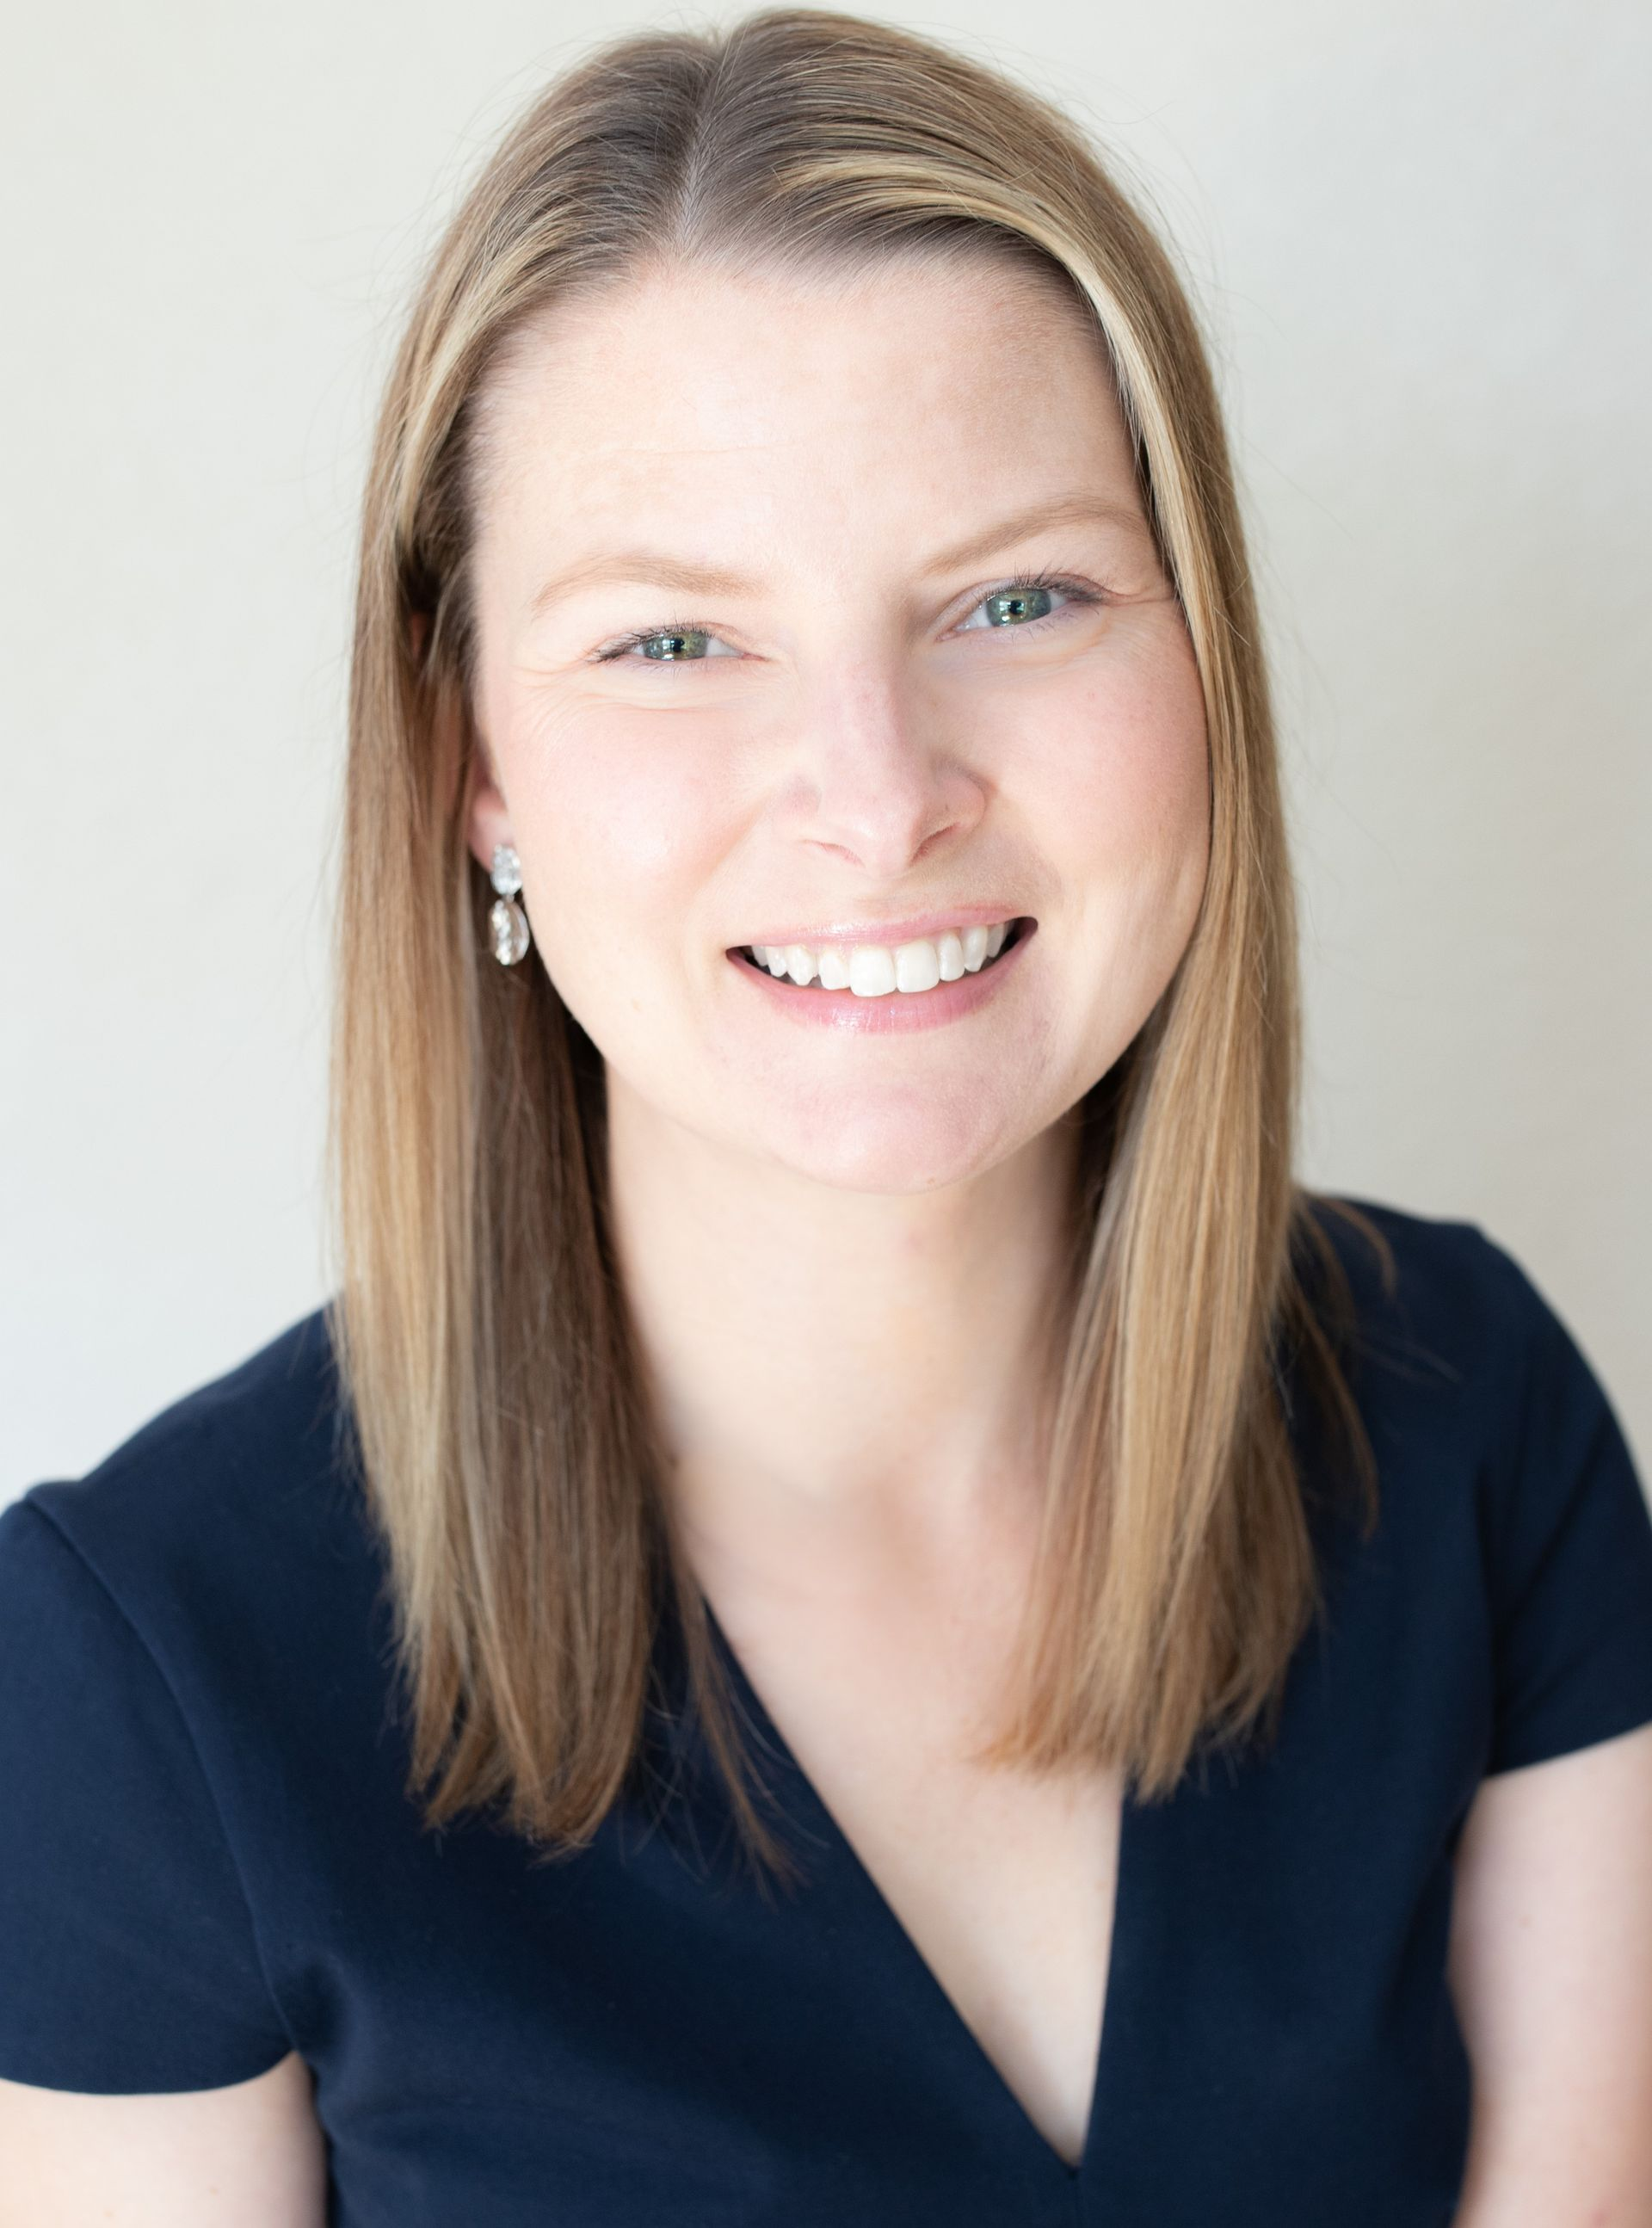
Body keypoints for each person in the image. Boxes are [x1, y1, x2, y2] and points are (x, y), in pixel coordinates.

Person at [3, 9, 1650, 2224]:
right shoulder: (142, 1674)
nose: (881, 802)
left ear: (1204, 665)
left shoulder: (1476, 1424)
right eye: (678, 643)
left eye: (1020, 596)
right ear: (469, 761)